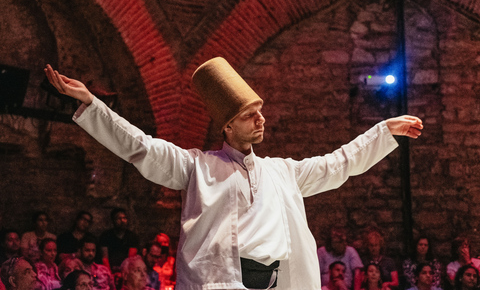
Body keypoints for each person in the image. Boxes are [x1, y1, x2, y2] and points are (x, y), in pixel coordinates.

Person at [44, 57, 423, 289]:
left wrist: (383, 132)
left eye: (259, 111)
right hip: (220, 284)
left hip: (276, 283)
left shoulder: (282, 172)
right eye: (249, 115)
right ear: (227, 126)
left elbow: (339, 163)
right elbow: (140, 146)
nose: (261, 119)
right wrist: (93, 105)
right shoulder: (196, 167)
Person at [318, 226, 363, 290]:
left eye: (343, 241)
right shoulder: (322, 252)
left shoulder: (350, 251)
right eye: (339, 242)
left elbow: (357, 273)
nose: (342, 244)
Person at [99, 209, 139, 274]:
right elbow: (105, 258)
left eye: (124, 218)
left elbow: (131, 259)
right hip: (109, 270)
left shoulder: (132, 237)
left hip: (126, 271)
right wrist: (109, 274)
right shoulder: (106, 236)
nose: (122, 221)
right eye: (119, 218)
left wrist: (125, 273)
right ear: (113, 220)